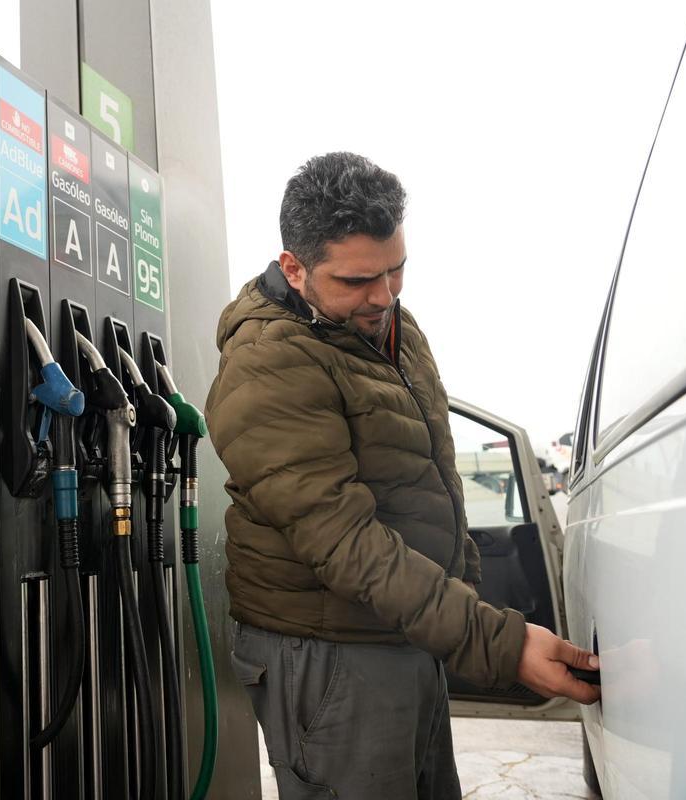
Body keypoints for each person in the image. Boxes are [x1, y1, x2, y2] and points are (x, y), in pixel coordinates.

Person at [205, 152, 600, 799]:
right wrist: (492, 640)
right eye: (360, 279)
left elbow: (432, 469)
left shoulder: (393, 327)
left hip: (405, 627)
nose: (385, 295)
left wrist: (461, 600)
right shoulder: (267, 363)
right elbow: (346, 544)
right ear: (294, 269)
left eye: (397, 269)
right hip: (329, 650)